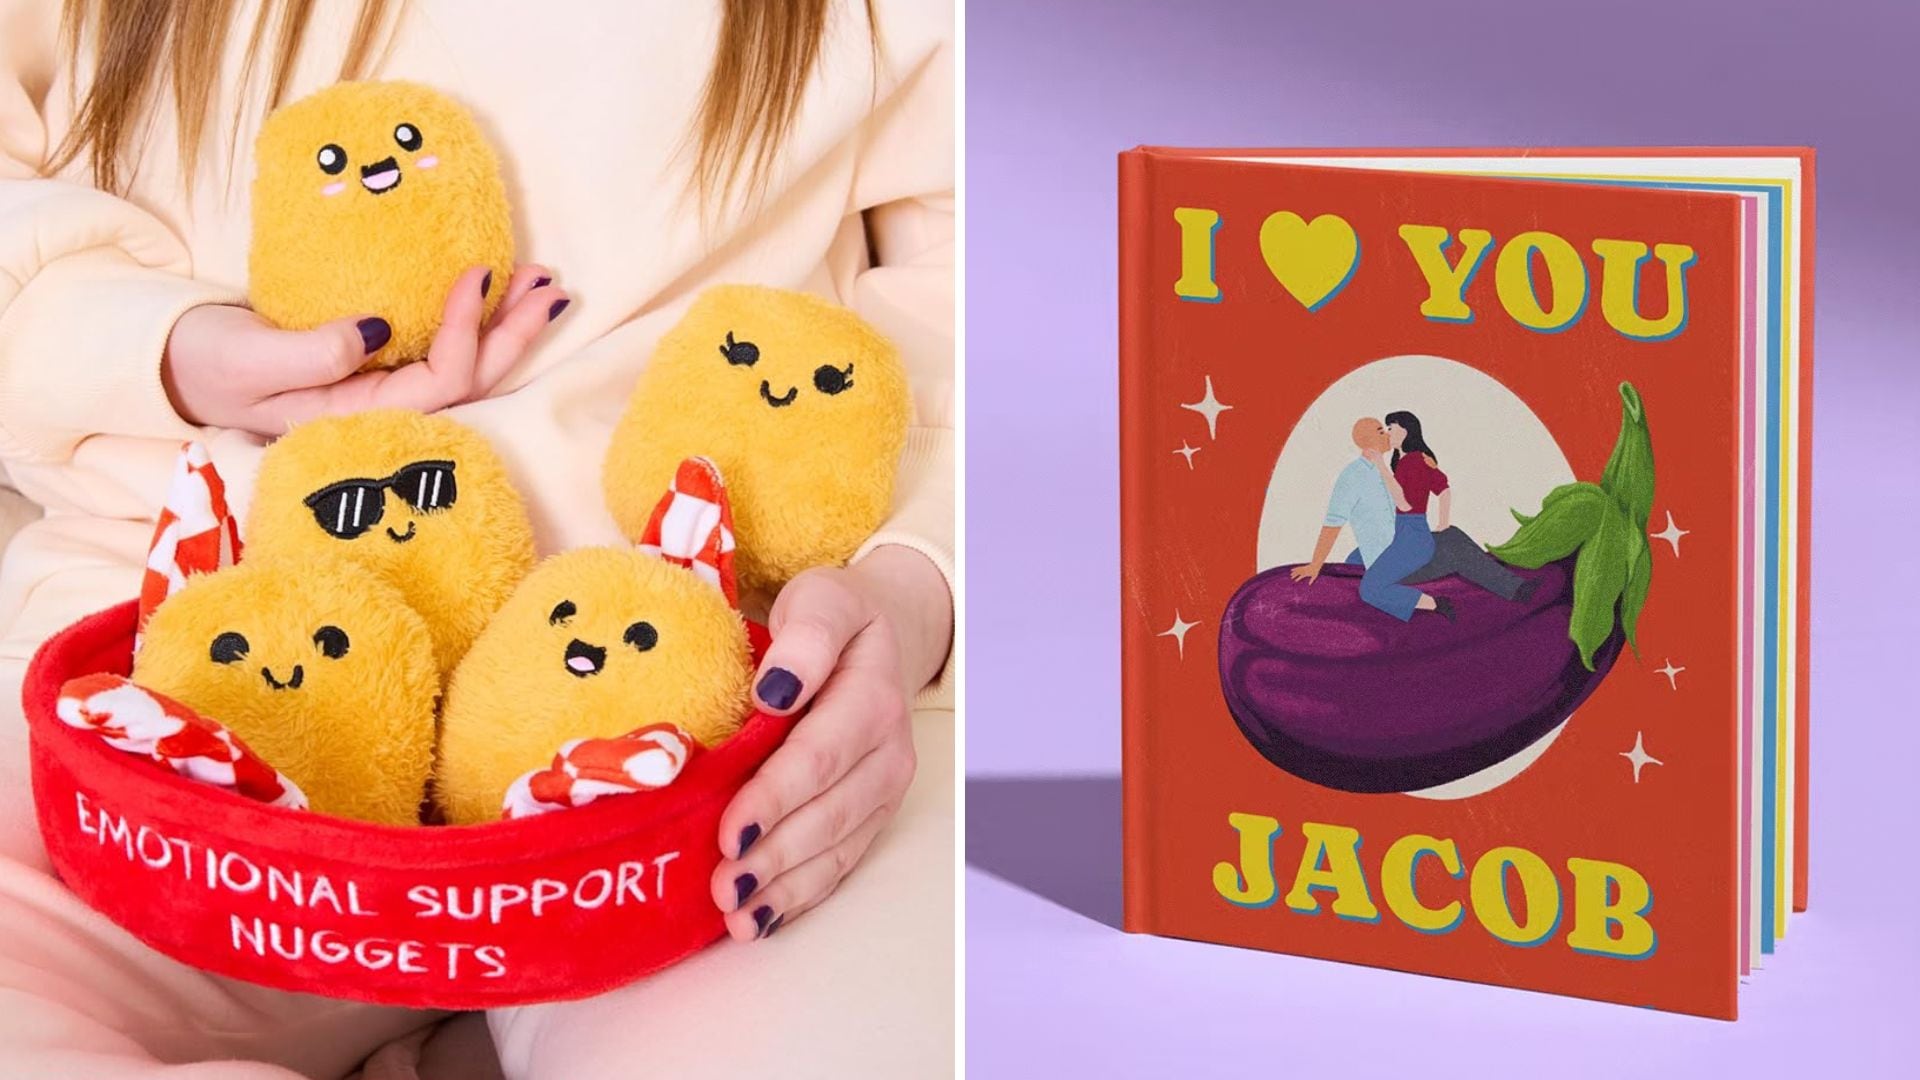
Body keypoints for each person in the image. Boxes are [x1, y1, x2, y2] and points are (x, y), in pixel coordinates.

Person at [0, 1, 954, 1076]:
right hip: (148, 695)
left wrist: (919, 582)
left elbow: (1022, 268)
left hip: (698, 743)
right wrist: (165, 347)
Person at [1291, 417, 1452, 621]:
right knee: (1368, 587)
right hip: (1389, 554)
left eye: (1387, 429)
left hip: (1404, 544)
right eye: (1380, 431)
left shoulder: (1393, 468)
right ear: (1365, 440)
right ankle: (1435, 604)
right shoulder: (1352, 476)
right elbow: (1334, 522)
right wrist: (1316, 564)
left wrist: (1429, 464)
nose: (1387, 434)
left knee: (1353, 560)